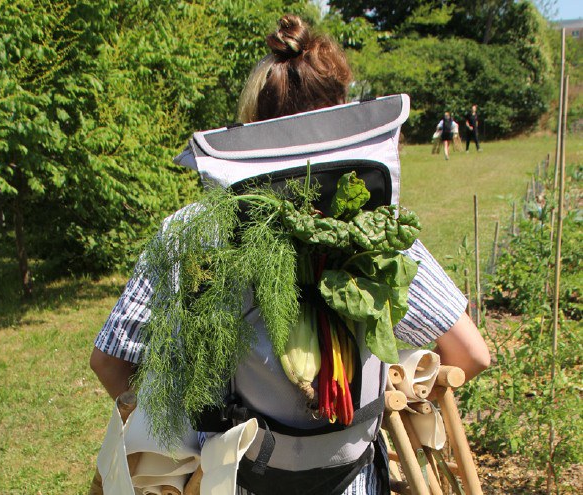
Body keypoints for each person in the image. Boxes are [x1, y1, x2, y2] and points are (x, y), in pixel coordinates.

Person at [90, 15, 490, 495]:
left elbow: (110, 363)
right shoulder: (376, 230)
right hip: (352, 482)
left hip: (232, 482)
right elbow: (471, 354)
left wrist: (180, 425)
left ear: (253, 126)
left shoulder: (189, 232)